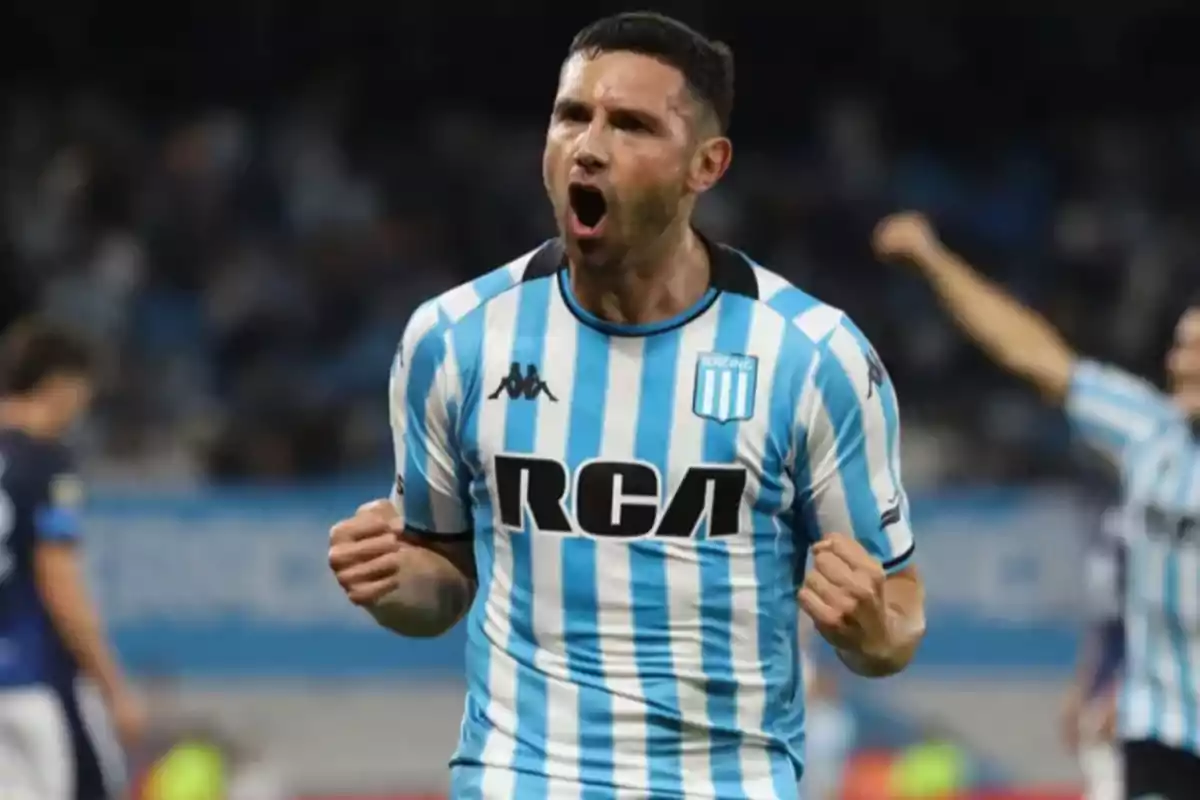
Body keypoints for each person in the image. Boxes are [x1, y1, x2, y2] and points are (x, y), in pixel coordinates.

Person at [329, 13, 926, 799]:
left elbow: (898, 605)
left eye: (632, 125)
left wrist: (874, 631)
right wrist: (392, 578)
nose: (590, 145)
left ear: (704, 166)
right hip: (519, 779)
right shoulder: (455, 340)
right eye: (572, 115)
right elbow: (441, 578)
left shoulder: (811, 356)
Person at [873, 212, 1200, 800]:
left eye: (1197, 351)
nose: (1179, 363)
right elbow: (1035, 356)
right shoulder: (1151, 433)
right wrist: (933, 259)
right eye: (1180, 347)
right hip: (1160, 732)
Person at [0, 319, 143, 800]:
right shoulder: (47, 462)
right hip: (34, 682)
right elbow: (59, 583)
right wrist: (113, 686)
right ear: (60, 385)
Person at [1061, 504, 1125, 800]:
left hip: (1149, 698)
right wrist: (1079, 690)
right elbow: (1102, 626)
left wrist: (1122, 695)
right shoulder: (1112, 524)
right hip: (1106, 692)